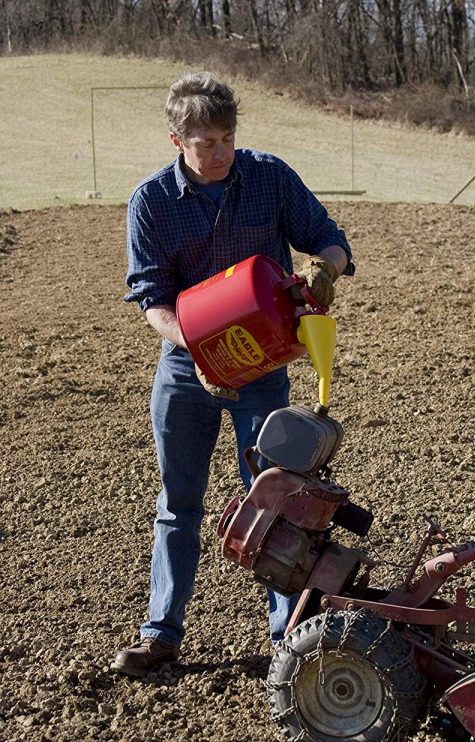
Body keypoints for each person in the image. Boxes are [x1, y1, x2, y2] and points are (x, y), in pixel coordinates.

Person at [113, 72, 354, 677]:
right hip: (186, 373)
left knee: (276, 499)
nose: (219, 152)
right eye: (205, 142)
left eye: (227, 137)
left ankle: (287, 635)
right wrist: (198, 349)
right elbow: (152, 300)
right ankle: (161, 633)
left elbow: (328, 238)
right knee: (178, 504)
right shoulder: (151, 203)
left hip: (264, 370)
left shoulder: (268, 176)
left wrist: (326, 268)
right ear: (177, 141)